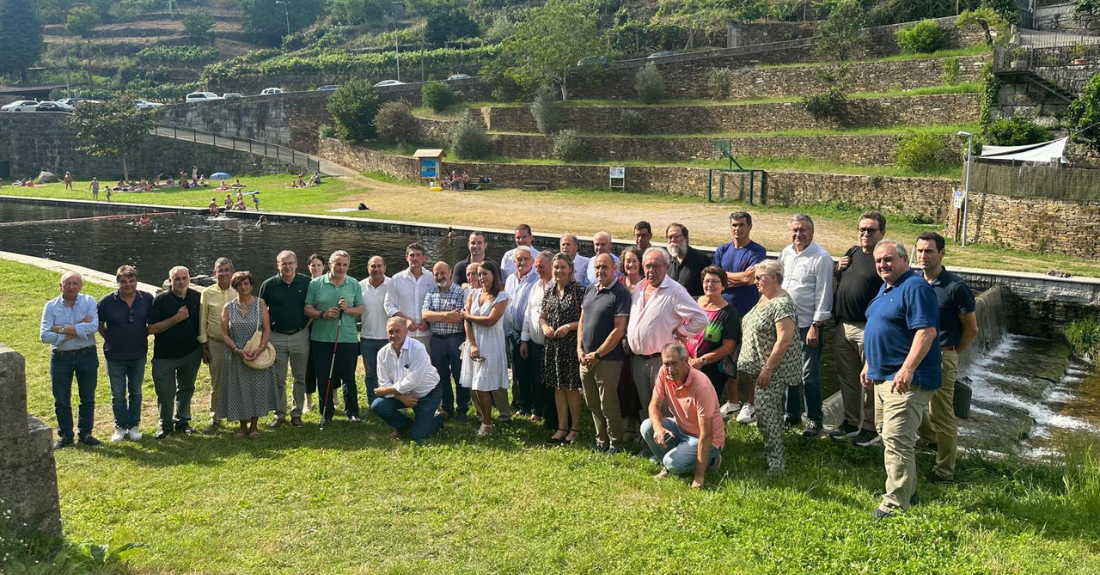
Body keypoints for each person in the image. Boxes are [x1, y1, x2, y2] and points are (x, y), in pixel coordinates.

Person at [863, 239, 942, 519]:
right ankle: (909, 491)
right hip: (882, 377)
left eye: (888, 259)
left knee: (897, 440)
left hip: (907, 379)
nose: (883, 265)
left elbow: (926, 333)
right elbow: (881, 327)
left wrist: (907, 368)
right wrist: (868, 363)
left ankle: (894, 504)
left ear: (904, 260)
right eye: (878, 261)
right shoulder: (886, 289)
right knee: (888, 435)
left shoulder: (915, 288)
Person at [915, 232, 978, 485]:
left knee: (942, 414)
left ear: (941, 253)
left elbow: (971, 329)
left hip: (942, 355)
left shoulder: (955, 287)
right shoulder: (915, 282)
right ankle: (929, 439)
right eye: (919, 251)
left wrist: (951, 353)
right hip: (915, 356)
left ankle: (944, 472)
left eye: (929, 251)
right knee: (909, 404)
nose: (923, 256)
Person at [625, 248, 708, 433]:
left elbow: (701, 319)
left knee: (664, 406)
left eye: (656, 266)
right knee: (646, 404)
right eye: (647, 266)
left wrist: (682, 330)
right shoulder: (639, 288)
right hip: (639, 359)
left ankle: (669, 446)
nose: (651, 270)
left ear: (667, 267)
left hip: (661, 362)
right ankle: (650, 444)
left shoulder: (675, 291)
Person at [829, 211, 887, 447]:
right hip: (843, 326)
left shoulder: (883, 259)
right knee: (848, 379)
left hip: (868, 329)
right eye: (862, 229)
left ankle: (871, 427)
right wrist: (836, 268)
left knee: (870, 381)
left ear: (882, 233)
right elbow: (838, 281)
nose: (865, 234)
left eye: (871, 230)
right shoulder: (852, 252)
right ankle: (851, 423)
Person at [738, 259, 801, 473]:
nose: (755, 281)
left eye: (759, 278)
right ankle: (771, 449)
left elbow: (784, 339)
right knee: (767, 412)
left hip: (773, 370)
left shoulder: (782, 303)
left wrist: (768, 369)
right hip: (761, 368)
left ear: (774, 277)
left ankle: (776, 462)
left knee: (767, 412)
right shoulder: (764, 298)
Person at [777, 214, 834, 437]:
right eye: (794, 230)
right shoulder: (786, 252)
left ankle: (814, 420)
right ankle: (791, 415)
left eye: (803, 230)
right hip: (785, 323)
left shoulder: (821, 258)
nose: (798, 234)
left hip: (807, 325)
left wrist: (816, 325)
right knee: (788, 371)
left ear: (812, 232)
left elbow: (824, 294)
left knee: (808, 375)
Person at [641, 343, 725, 489]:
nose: (670, 369)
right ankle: (670, 465)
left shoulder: (702, 386)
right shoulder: (663, 373)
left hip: (706, 439)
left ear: (686, 361)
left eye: (674, 363)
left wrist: (699, 477)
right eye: (667, 364)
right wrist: (658, 428)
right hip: (681, 427)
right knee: (647, 426)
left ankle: (711, 460)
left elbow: (706, 434)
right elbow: (654, 405)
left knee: (671, 462)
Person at [713, 211, 768, 423]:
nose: (738, 229)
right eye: (734, 225)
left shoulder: (757, 251)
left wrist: (728, 278)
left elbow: (749, 278)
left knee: (749, 360)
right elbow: (716, 277)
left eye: (742, 225)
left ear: (750, 226)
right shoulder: (722, 249)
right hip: (724, 313)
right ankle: (734, 402)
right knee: (728, 358)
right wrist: (735, 278)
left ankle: (751, 404)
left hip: (747, 312)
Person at [40, 271, 100, 449]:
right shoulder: (51, 306)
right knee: (61, 398)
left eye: (75, 283)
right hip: (60, 357)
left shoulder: (89, 301)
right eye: (67, 283)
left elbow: (93, 327)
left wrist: (62, 329)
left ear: (81, 286)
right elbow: (44, 336)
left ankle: (86, 433)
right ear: (61, 286)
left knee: (87, 397)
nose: (71, 287)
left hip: (86, 354)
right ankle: (66, 435)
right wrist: (78, 327)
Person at [578, 253, 630, 452]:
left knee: (608, 404)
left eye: (605, 267)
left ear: (614, 268)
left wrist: (598, 354)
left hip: (607, 360)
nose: (600, 271)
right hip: (585, 359)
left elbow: (619, 330)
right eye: (597, 267)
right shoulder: (591, 289)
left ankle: (616, 444)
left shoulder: (620, 293)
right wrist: (579, 350)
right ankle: (601, 441)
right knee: (592, 403)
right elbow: (582, 321)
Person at [305, 251, 365, 424]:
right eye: (338, 264)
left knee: (348, 377)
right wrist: (322, 314)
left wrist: (347, 310)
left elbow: (360, 308)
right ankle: (327, 412)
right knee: (324, 377)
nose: (341, 268)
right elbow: (307, 308)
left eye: (345, 265)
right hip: (321, 339)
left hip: (347, 338)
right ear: (329, 264)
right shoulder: (316, 283)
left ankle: (352, 411)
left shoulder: (353, 283)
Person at [218, 271, 280, 439]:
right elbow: (224, 334)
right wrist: (237, 350)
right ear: (235, 287)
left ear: (252, 285)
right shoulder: (228, 307)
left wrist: (260, 349)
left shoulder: (261, 304)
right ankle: (242, 426)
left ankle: (254, 425)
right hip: (236, 355)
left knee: (256, 389)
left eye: (246, 283)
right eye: (240, 284)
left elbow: (266, 329)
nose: (243, 287)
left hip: (257, 353)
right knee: (238, 390)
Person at [98, 265, 153, 442]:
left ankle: (134, 425)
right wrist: (110, 337)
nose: (128, 285)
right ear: (117, 283)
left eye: (132, 281)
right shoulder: (107, 302)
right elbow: (99, 324)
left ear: (136, 281)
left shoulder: (147, 299)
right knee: (118, 394)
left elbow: (151, 324)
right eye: (123, 281)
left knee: (136, 392)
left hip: (138, 354)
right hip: (115, 355)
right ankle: (121, 427)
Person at [147, 266, 203, 439]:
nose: (181, 282)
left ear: (189, 279)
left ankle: (183, 421)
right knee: (166, 391)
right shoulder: (161, 300)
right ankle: (165, 425)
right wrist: (176, 318)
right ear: (170, 281)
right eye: (176, 279)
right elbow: (151, 329)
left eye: (184, 278)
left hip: (191, 353)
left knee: (186, 388)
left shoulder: (197, 297)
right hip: (165, 355)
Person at [258, 250, 312, 428]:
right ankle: (279, 414)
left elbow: (312, 305)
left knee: (300, 376)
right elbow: (262, 310)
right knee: (278, 378)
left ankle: (297, 413)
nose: (287, 266)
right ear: (278, 265)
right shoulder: (269, 284)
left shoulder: (306, 282)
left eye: (290, 263)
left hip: (300, 335)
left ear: (296, 264)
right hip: (276, 336)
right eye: (283, 263)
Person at [460, 260, 512, 437]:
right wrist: (472, 344)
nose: (481, 277)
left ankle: (488, 424)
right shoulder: (472, 294)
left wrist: (468, 315)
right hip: (474, 342)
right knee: (475, 385)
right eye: (478, 274)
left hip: (492, 344)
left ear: (494, 275)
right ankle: (484, 416)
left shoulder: (502, 297)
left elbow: (491, 320)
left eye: (485, 274)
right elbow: (466, 321)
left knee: (483, 384)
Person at [372, 317, 446, 440]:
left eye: (397, 331)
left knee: (418, 436)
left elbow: (413, 381)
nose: (394, 335)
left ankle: (441, 418)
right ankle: (404, 425)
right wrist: (401, 397)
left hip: (427, 395)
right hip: (402, 395)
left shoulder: (417, 349)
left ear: (406, 331)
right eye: (390, 332)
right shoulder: (382, 354)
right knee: (378, 405)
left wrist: (385, 391)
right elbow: (384, 382)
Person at [540, 253, 586, 445]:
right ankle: (561, 427)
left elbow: (585, 319)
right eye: (556, 267)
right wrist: (544, 327)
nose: (559, 271)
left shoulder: (578, 290)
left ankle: (575, 429)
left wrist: (568, 326)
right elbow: (542, 316)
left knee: (571, 387)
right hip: (553, 345)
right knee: (558, 387)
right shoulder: (549, 292)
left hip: (570, 345)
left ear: (570, 269)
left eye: (562, 267)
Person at [421, 261, 469, 419]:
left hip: (456, 339)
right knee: (441, 375)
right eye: (436, 274)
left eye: (442, 273)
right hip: (438, 340)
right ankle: (447, 407)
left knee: (459, 374)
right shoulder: (431, 293)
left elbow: (461, 316)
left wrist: (437, 317)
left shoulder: (461, 292)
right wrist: (447, 315)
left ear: (449, 272)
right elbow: (425, 315)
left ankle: (462, 408)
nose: (440, 276)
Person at [687, 266, 742, 402]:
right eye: (706, 281)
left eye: (715, 282)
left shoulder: (729, 313)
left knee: (705, 405)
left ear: (723, 286)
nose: (709, 285)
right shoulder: (692, 303)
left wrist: (701, 361)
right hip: (686, 363)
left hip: (711, 368)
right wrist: (686, 358)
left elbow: (728, 347)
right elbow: (679, 331)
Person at [199, 258, 238, 434]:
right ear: (214, 273)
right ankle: (215, 418)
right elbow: (202, 319)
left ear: (232, 272)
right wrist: (204, 345)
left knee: (239, 380)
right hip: (215, 344)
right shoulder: (207, 293)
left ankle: (240, 415)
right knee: (217, 384)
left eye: (226, 270)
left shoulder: (239, 289)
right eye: (219, 270)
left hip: (238, 344)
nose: (223, 273)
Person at [520, 250, 556, 425]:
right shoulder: (536, 286)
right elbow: (528, 314)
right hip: (535, 342)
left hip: (552, 343)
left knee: (550, 380)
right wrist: (524, 340)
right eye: (536, 267)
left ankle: (551, 415)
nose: (537, 271)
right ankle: (538, 409)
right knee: (536, 377)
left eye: (541, 267)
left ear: (551, 265)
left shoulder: (557, 287)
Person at [504, 246, 540, 415]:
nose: (522, 262)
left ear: (532, 261)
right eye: (519, 259)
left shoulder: (536, 279)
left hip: (531, 333)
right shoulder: (510, 279)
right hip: (513, 332)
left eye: (526, 259)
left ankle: (535, 407)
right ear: (514, 261)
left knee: (533, 371)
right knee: (518, 371)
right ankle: (523, 405)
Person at [616, 246, 645, 441]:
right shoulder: (618, 283)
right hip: (618, 342)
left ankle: (644, 428)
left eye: (634, 261)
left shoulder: (646, 285)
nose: (631, 264)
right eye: (628, 261)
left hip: (639, 342)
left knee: (639, 386)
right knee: (623, 384)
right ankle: (629, 426)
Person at [385, 243, 435, 350]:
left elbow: (437, 304)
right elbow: (388, 305)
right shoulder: (397, 279)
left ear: (424, 258)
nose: (415, 258)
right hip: (404, 334)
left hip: (427, 333)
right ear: (407, 258)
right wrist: (405, 320)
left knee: (426, 365)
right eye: (412, 255)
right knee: (404, 365)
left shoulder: (432, 278)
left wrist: (428, 322)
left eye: (418, 255)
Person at [359, 255, 391, 406]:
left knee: (390, 374)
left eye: (379, 266)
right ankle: (374, 404)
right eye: (373, 266)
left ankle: (391, 403)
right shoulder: (359, 286)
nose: (376, 269)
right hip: (367, 337)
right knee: (371, 375)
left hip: (389, 338)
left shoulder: (393, 285)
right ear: (368, 268)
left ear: (384, 267)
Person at [303, 254, 327, 412]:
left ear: (324, 267)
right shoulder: (305, 284)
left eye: (319, 265)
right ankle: (308, 400)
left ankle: (333, 396)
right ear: (309, 267)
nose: (316, 268)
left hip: (325, 327)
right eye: (313, 265)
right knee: (308, 364)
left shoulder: (328, 284)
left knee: (327, 363)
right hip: (308, 328)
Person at [666, 223, 711, 298]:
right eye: (670, 237)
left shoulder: (701, 260)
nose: (673, 240)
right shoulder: (666, 260)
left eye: (676, 237)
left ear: (685, 238)